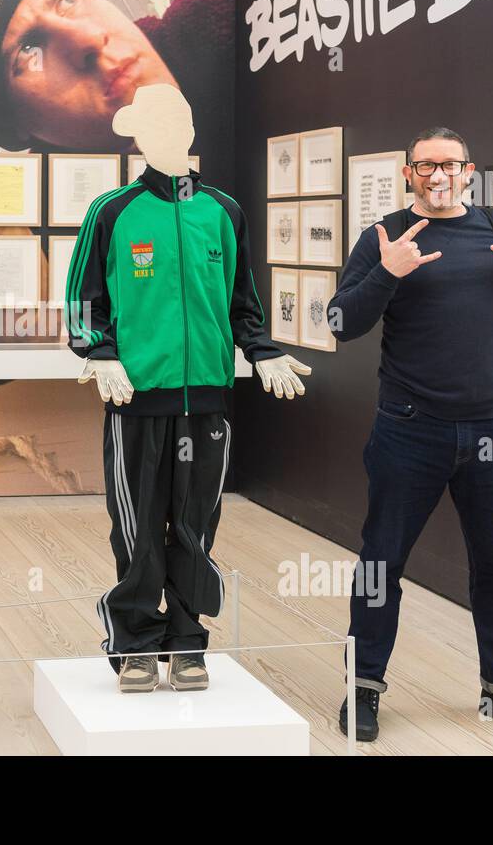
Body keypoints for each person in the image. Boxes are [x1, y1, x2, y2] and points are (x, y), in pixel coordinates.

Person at [329, 127, 493, 743]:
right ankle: (364, 690)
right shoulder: (384, 235)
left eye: (449, 165)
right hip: (409, 429)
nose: (438, 176)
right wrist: (385, 273)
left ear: (469, 171)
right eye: (425, 166)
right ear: (408, 174)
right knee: (382, 562)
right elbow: (341, 322)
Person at [65, 84, 310, 693]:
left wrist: (262, 349)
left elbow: (242, 300)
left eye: (181, 118)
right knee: (138, 523)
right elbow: (80, 300)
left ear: (193, 128)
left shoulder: (223, 212)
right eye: (157, 121)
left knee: (196, 521)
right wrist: (100, 354)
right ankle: (134, 641)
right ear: (139, 136)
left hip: (205, 399)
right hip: (135, 397)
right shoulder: (112, 211)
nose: (172, 130)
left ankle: (187, 638)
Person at [0, 0, 237, 188]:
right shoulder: (44, 218)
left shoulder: (228, 20)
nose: (89, 39)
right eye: (28, 50)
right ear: (15, 126)